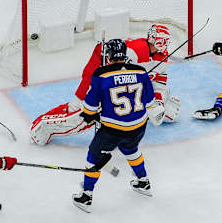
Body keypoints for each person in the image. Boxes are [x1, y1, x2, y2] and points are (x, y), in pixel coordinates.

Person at [30, 24, 181, 145]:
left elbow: (159, 83)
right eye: (163, 42)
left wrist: (159, 104)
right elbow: (114, 73)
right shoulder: (135, 51)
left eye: (166, 42)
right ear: (155, 40)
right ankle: (44, 124)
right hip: (98, 67)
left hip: (114, 74)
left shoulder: (161, 57)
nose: (165, 46)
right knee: (79, 107)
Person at [72, 39, 156, 213]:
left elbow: (90, 104)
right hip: (139, 126)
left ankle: (86, 195)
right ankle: (143, 182)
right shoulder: (141, 71)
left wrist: (89, 115)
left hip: (113, 129)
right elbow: (150, 101)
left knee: (94, 156)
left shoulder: (101, 74)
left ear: (108, 56)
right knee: (131, 150)